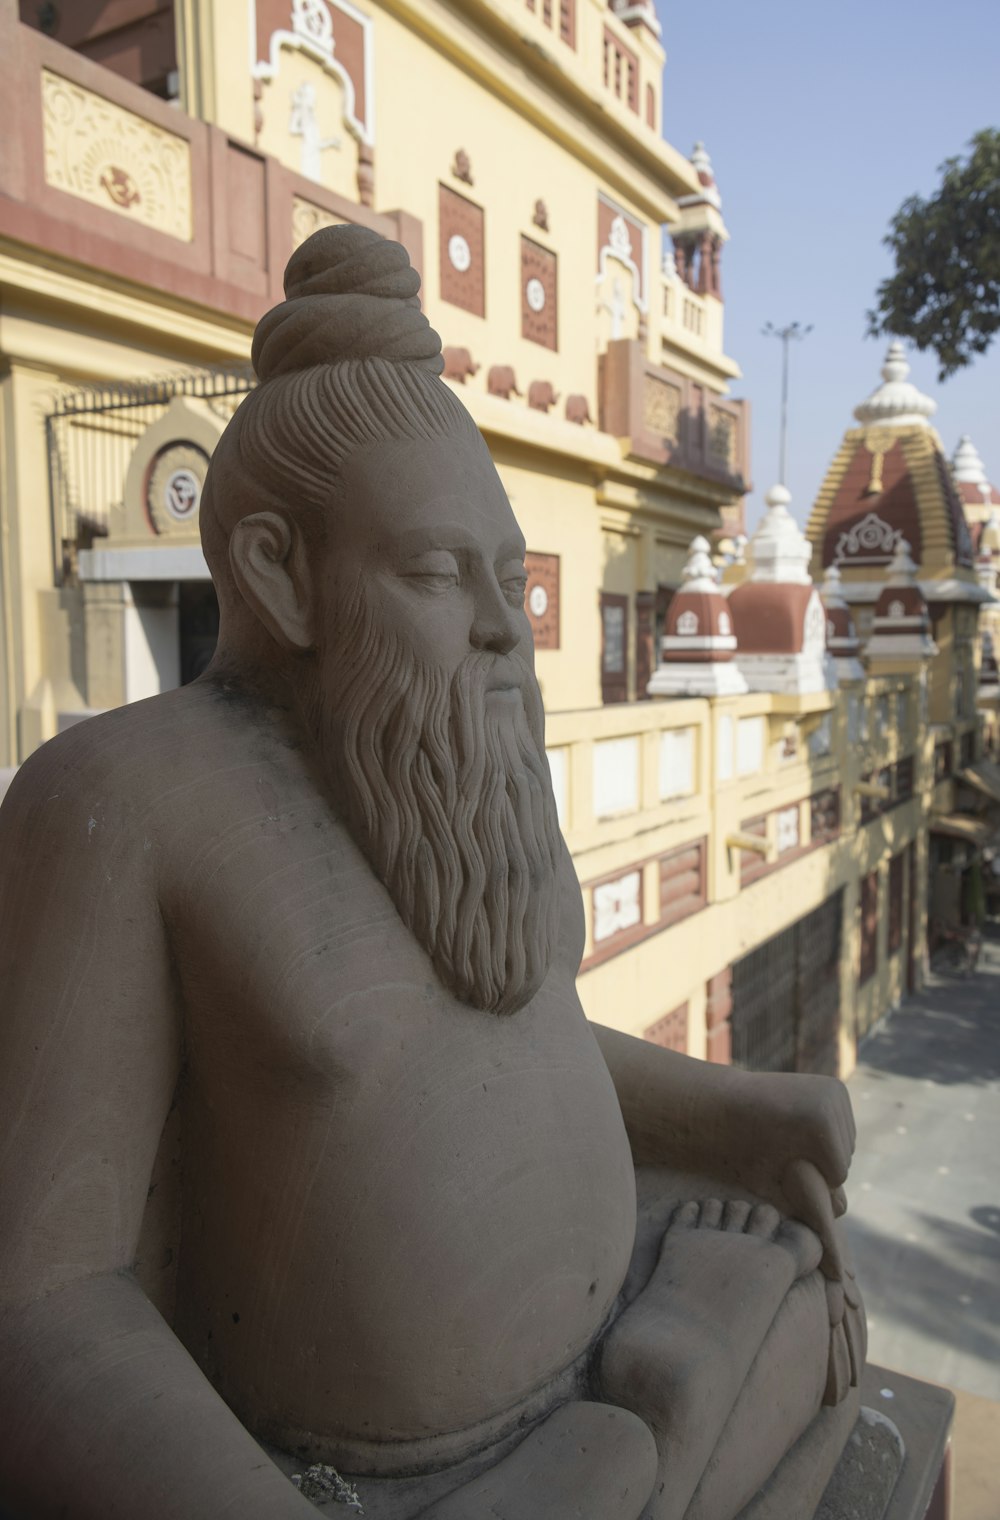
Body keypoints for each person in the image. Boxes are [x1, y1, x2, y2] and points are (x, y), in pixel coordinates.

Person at [0, 227, 863, 1520]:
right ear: (279, 574)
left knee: (805, 1305)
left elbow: (525, 1046)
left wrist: (741, 1110)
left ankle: (652, 1426)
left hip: (615, 1327)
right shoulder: (119, 805)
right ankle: (652, 1432)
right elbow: (43, 1297)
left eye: (509, 576)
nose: (508, 628)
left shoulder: (464, 795)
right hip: (380, 1475)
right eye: (437, 573)